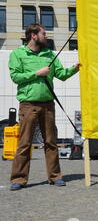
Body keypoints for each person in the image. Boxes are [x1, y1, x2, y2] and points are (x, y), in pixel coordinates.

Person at [8, 23, 81, 191]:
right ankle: (19, 178)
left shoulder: (49, 54)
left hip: (48, 105)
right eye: (43, 34)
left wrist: (76, 68)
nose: (46, 37)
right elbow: (16, 77)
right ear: (33, 36)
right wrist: (36, 73)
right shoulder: (18, 54)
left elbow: (61, 75)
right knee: (24, 143)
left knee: (51, 142)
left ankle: (55, 177)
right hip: (28, 105)